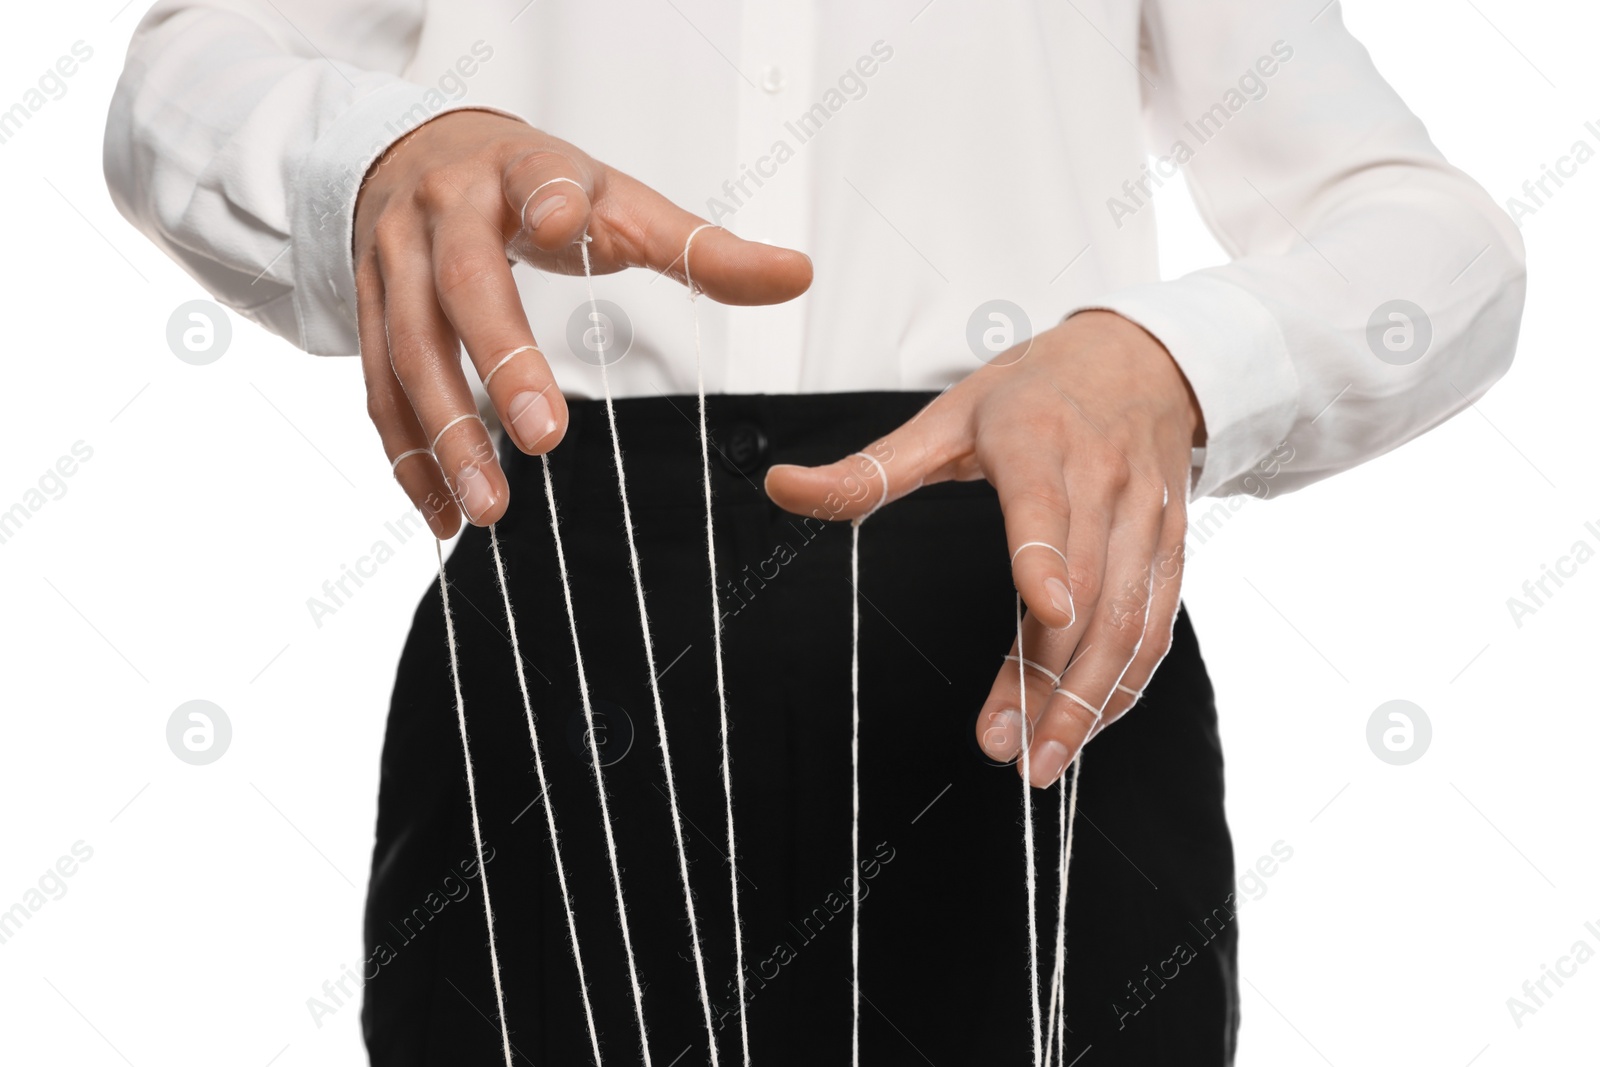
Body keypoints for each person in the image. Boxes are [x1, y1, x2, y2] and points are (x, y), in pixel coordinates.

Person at [105, 2, 1524, 1063]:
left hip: (1017, 620)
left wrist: (1172, 359)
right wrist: (383, 153)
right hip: (573, 643)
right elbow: (185, 78)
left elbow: (1432, 235)